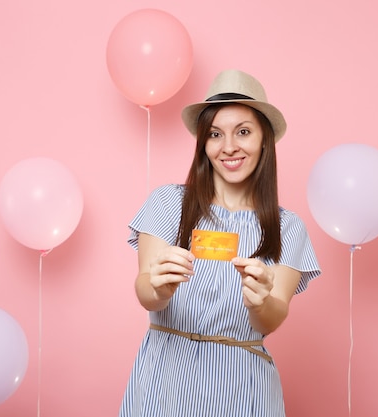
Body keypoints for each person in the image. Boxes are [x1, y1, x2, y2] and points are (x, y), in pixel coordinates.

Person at [119, 69, 321, 417]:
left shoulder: (288, 228)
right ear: (203, 143)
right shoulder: (167, 204)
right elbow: (144, 291)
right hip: (166, 381)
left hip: (245, 389)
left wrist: (259, 302)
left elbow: (272, 319)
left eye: (243, 132)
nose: (228, 147)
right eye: (215, 134)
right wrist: (160, 287)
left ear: (264, 141)